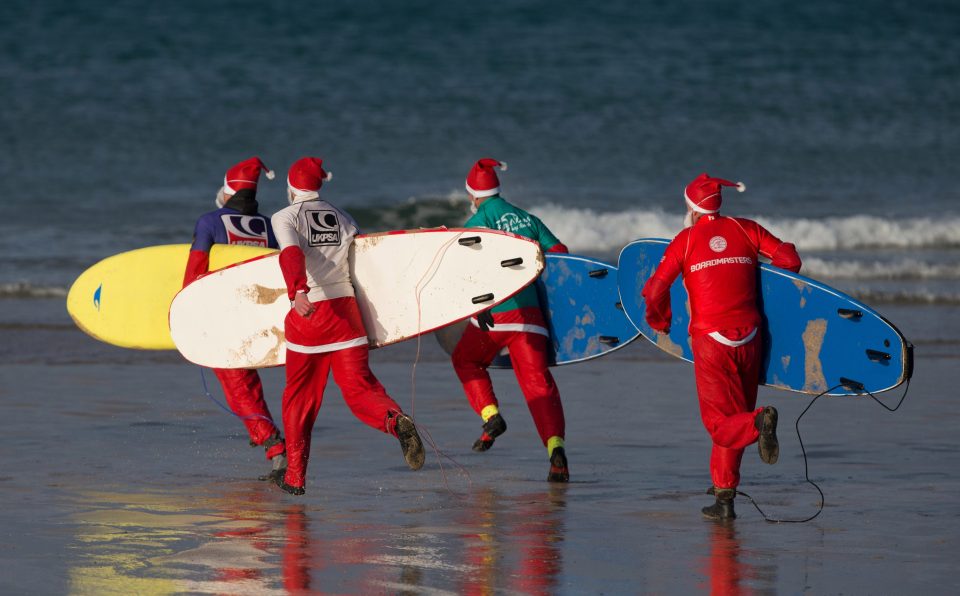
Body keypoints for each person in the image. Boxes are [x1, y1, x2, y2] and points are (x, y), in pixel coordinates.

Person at [641, 173, 802, 520]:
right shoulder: (746, 229)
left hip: (712, 342)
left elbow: (656, 289)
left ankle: (761, 422)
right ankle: (725, 498)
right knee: (735, 417)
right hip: (752, 337)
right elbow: (789, 258)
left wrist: (660, 321)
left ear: (691, 208)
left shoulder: (684, 241)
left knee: (720, 424)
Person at [270, 156, 425, 496]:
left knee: (300, 397)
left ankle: (295, 477)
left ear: (292, 188)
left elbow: (291, 254)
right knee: (358, 388)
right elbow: (370, 263)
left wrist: (297, 290)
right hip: (348, 315)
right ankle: (395, 421)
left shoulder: (284, 217)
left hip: (312, 312)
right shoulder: (344, 217)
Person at [451, 158, 571, 482]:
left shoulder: (475, 223)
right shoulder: (528, 219)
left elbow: (465, 269)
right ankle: (555, 451)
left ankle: (491, 416)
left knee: (466, 360)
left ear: (472, 195)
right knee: (537, 384)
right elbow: (560, 255)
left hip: (494, 314)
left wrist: (474, 307)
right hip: (531, 317)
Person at [183, 156, 286, 482]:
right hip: (260, 312)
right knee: (245, 377)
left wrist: (186, 311)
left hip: (225, 315)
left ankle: (272, 443)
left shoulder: (209, 222)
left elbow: (194, 273)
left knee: (233, 377)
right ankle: (268, 439)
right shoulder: (271, 226)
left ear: (227, 191)